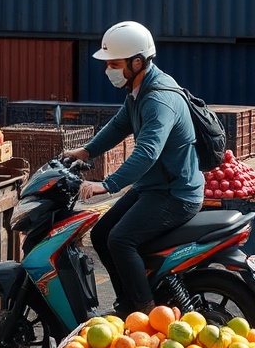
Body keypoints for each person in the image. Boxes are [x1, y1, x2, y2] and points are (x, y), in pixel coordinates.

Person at [64, 21, 204, 316]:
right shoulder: (139, 90)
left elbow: (147, 153)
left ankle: (145, 311)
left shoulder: (158, 99)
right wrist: (85, 151)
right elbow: (119, 125)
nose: (108, 71)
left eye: (114, 64)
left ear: (137, 62)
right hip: (153, 187)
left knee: (121, 239)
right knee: (101, 234)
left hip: (175, 194)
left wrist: (108, 185)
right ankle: (127, 301)